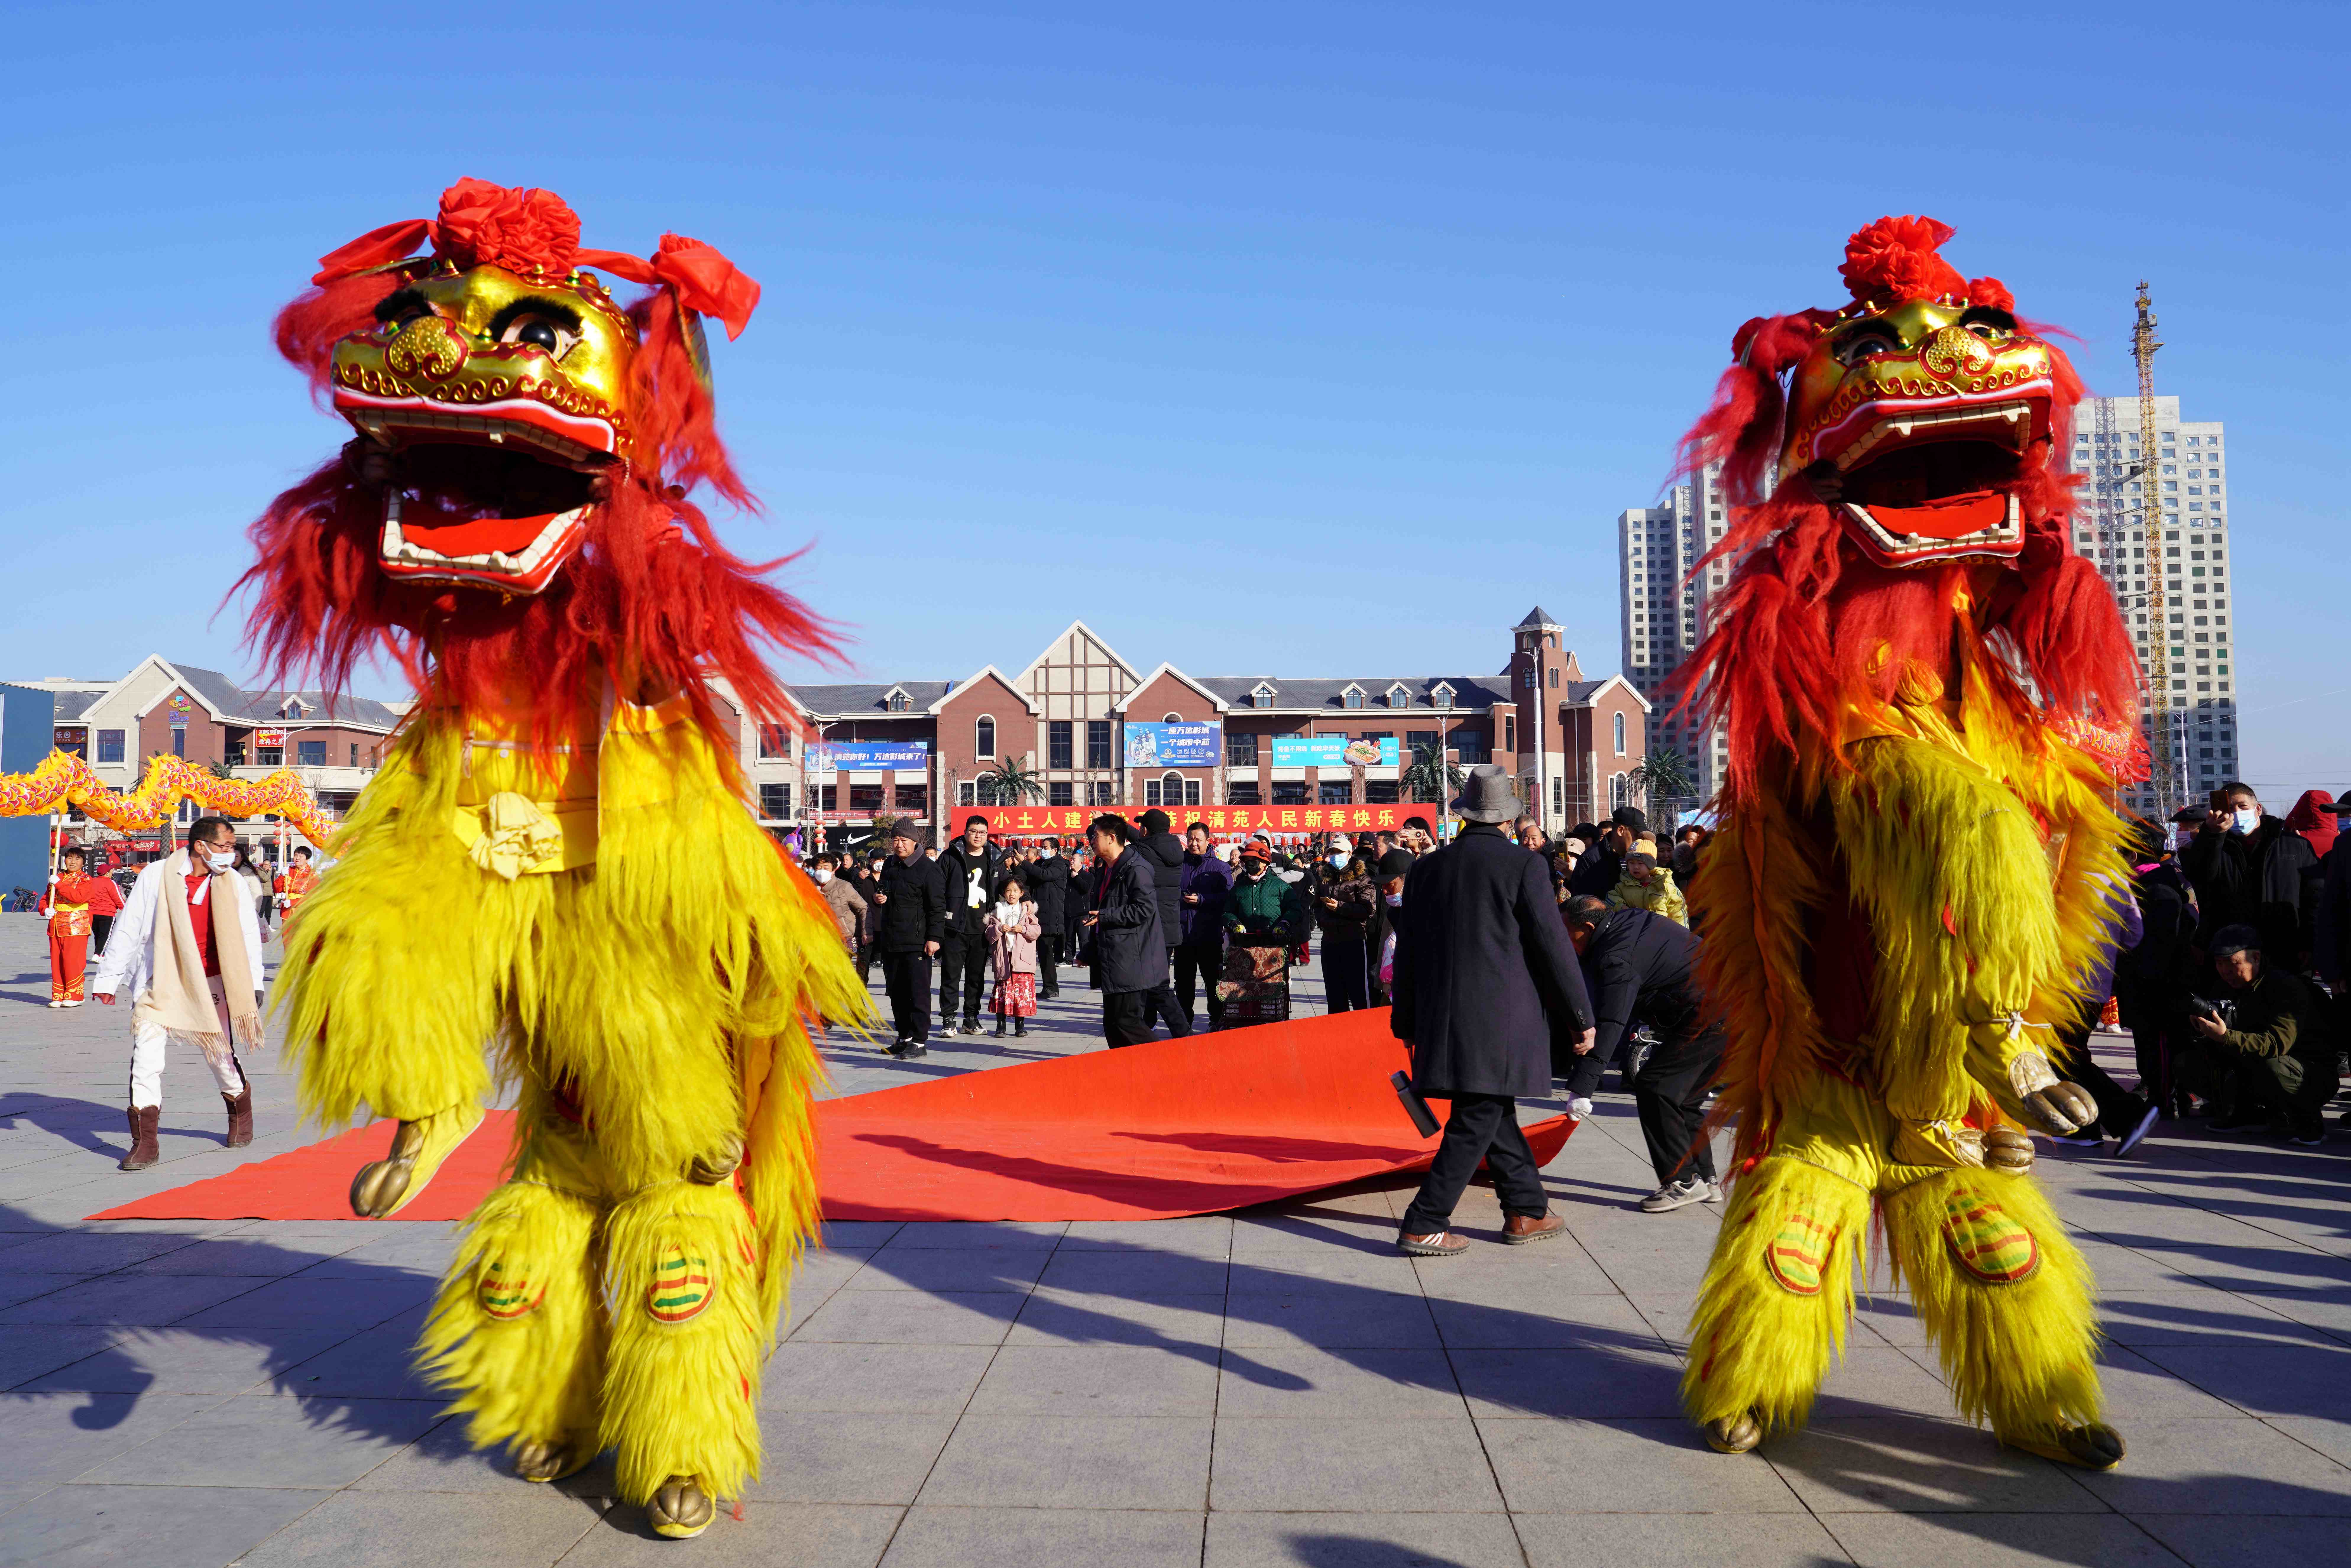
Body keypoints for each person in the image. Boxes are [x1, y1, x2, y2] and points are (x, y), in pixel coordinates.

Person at [1392, 765, 1594, 1255]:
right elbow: (1552, 946)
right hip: (1500, 1016)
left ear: (1466, 814)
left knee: (1490, 1108)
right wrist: (1580, 1016)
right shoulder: (1523, 865)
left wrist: (1405, 1019)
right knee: (1478, 1114)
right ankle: (1425, 1219)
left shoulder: (1427, 868)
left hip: (1442, 1014)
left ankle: (1527, 1207)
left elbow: (1407, 950)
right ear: (1508, 818)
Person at [90, 817, 263, 1169]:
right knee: (146, 1059)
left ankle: (239, 1110)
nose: (231, 854)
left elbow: (247, 936)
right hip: (162, 980)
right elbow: (131, 926)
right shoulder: (157, 875)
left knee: (220, 1058)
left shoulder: (233, 884)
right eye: (225, 847)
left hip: (212, 981)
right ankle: (146, 1144)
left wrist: (254, 983)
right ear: (201, 845)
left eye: (233, 848)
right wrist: (108, 979)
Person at [1560, 894, 1723, 1209]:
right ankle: (1705, 1179)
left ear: (1588, 927)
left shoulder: (1616, 954)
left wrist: (1582, 1088)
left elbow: (1612, 1022)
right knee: (1684, 1099)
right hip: (1731, 1006)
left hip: (1709, 1014)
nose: (1566, 943)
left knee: (1654, 1086)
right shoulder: (1630, 921)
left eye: (1568, 934)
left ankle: (1682, 1182)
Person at [2188, 924, 2334, 1144]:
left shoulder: (2287, 988)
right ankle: (2246, 1113)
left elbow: (2276, 1044)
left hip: (2308, 1073)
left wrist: (2225, 1036)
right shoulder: (2224, 985)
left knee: (2272, 1065)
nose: (2225, 970)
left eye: (2232, 963)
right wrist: (2202, 1030)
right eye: (2219, 963)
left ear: (2256, 958)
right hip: (2257, 1066)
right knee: (2187, 1063)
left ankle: (2309, 1122)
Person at [2181, 782, 2318, 971]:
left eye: (2242, 806)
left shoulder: (2295, 846)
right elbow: (2201, 880)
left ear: (2258, 809)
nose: (2236, 813)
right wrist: (2212, 836)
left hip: (2285, 948)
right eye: (2229, 808)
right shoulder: (2213, 844)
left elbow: (2314, 898)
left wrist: (2309, 943)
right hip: (2230, 949)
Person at [2116, 823, 2199, 1118]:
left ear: (2134, 854)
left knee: (2158, 1044)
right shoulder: (2156, 880)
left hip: (2155, 983)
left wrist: (2147, 979)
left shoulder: (2158, 886)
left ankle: (2164, 1102)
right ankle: (2167, 1096)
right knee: (2151, 1042)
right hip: (2146, 979)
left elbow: (2162, 941)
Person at [1084, 815, 1168, 1048]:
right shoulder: (1107, 870)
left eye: (1095, 836)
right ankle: (1126, 1074)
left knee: (1127, 1022)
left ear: (1111, 839)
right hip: (1113, 957)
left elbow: (1144, 909)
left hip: (1131, 959)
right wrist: (1090, 952)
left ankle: (1164, 1062)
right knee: (1112, 1025)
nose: (1091, 840)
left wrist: (1106, 916)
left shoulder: (1135, 868)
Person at [872, 819, 944, 1057]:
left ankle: (920, 1041)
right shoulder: (891, 865)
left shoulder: (928, 869)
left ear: (915, 841)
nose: (899, 845)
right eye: (895, 840)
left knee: (918, 992)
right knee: (896, 992)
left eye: (903, 840)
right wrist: (879, 898)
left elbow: (937, 908)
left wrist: (934, 937)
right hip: (892, 939)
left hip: (917, 942)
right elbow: (882, 891)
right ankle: (904, 1037)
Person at [1222, 841, 1308, 1024]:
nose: (1251, 865)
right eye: (1248, 861)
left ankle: (1274, 1018)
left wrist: (1284, 924)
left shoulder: (1280, 886)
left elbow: (1294, 909)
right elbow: (1227, 910)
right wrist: (1235, 923)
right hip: (1243, 947)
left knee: (1272, 989)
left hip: (1273, 947)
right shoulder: (1240, 886)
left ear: (1266, 862)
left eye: (1256, 861)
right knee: (1242, 989)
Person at [935, 815, 1002, 1036]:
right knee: (951, 975)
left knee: (976, 977)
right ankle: (948, 1018)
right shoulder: (951, 857)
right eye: (974, 831)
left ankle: (971, 1018)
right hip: (955, 926)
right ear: (965, 832)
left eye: (983, 832)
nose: (978, 836)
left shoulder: (995, 858)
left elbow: (1007, 885)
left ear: (987, 835)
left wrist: (1027, 897)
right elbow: (937, 890)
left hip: (983, 928)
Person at [1131, 809, 1194, 1036]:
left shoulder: (1141, 852)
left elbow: (1133, 847)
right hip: (1168, 929)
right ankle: (1147, 1025)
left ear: (1146, 830)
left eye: (1141, 827)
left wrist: (1109, 824)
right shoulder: (1176, 848)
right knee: (1151, 982)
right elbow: (1144, 843)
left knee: (1155, 985)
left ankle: (1182, 1032)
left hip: (1149, 929)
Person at [38, 846, 119, 1007]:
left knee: (73, 960)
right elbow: (46, 900)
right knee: (57, 961)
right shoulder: (57, 878)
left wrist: (60, 885)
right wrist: (45, 910)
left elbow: (79, 897)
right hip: (56, 925)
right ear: (65, 860)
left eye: (77, 859)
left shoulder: (86, 880)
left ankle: (75, 995)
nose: (73, 862)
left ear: (83, 863)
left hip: (76, 925)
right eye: (70, 858)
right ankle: (58, 995)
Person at [1175, 821, 1233, 1029]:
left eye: (1199, 840)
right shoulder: (1178, 865)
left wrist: (1202, 900)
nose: (1194, 843)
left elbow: (1228, 898)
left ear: (1208, 841)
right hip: (1182, 937)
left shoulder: (1220, 867)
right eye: (1190, 839)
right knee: (1183, 985)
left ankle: (1216, 1021)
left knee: (1213, 983)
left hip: (1209, 936)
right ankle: (1183, 1025)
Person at [1314, 853, 1380, 1013]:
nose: (1336, 857)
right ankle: (1338, 1034)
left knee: (1360, 994)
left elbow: (1368, 910)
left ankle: (1364, 1032)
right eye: (1333, 852)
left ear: (1350, 854)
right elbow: (1316, 905)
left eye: (1340, 853)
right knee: (1335, 995)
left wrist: (1340, 907)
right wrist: (1323, 920)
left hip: (1354, 940)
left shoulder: (1362, 878)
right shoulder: (1325, 877)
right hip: (1329, 941)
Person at [984, 874, 1042, 1038]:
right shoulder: (998, 910)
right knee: (1003, 992)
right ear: (1003, 893)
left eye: (1016, 891)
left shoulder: (1027, 910)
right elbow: (989, 933)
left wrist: (1023, 930)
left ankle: (1020, 1026)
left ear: (1022, 893)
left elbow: (1036, 931)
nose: (1012, 894)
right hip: (1004, 957)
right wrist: (999, 928)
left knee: (1021, 994)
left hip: (1022, 959)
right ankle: (1001, 1026)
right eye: (1008, 891)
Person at [1024, 836, 1071, 1000]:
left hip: (1051, 915)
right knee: (1044, 952)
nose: (1043, 850)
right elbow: (1030, 877)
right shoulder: (1041, 864)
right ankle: (1049, 987)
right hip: (1039, 915)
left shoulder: (1059, 865)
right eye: (1042, 847)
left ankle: (1051, 987)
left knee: (1047, 952)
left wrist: (1025, 864)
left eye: (1045, 847)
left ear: (1055, 850)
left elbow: (1045, 876)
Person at [1568, 807, 1640, 898]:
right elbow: (1583, 901)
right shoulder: (1591, 858)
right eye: (1636, 836)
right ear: (1621, 831)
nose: (1639, 841)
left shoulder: (1642, 856)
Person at [807, 852, 866, 961]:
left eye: (826, 868)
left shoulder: (844, 887)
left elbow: (863, 908)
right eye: (819, 868)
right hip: (816, 939)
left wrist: (866, 932)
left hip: (843, 939)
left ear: (834, 870)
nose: (822, 871)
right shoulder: (807, 887)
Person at [1606, 851, 1689, 926]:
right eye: (1631, 863)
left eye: (1640, 863)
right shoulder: (1623, 885)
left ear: (1650, 866)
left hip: (1661, 933)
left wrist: (1682, 938)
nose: (1636, 867)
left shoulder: (1666, 885)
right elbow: (1611, 899)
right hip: (1633, 932)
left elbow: (1679, 912)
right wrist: (1624, 909)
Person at [273, 846, 320, 927]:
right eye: (296, 855)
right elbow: (277, 890)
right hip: (287, 911)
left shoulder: (312, 874)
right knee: (287, 938)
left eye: (301, 856)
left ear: (307, 859)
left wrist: (292, 902)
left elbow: (313, 896)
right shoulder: (289, 871)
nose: (297, 858)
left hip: (303, 911)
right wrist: (282, 875)